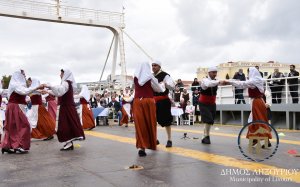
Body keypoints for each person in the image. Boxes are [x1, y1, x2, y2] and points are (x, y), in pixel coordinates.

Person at [227, 67, 272, 148]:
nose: (248, 75)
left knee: (254, 121)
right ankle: (263, 141)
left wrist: (229, 81)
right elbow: (243, 83)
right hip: (259, 101)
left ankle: (255, 140)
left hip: (256, 102)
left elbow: (242, 84)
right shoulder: (257, 80)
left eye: (248, 73)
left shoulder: (254, 81)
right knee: (259, 121)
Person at [1, 70, 44, 154]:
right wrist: (36, 87)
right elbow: (24, 91)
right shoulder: (16, 85)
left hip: (14, 106)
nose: (24, 76)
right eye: (23, 74)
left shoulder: (15, 84)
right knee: (24, 125)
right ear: (18, 75)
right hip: (16, 107)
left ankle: (7, 145)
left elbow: (26, 91)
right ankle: (20, 146)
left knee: (12, 127)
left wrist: (38, 90)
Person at [44, 69, 85, 151]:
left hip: (66, 107)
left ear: (65, 74)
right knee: (67, 125)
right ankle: (68, 143)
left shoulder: (66, 83)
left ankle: (68, 143)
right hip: (67, 107)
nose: (60, 75)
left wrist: (50, 86)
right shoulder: (68, 83)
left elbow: (60, 92)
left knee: (64, 126)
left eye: (61, 73)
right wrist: (47, 91)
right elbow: (58, 92)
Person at [132, 62, 164, 156]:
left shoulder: (135, 77)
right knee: (150, 122)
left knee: (140, 124)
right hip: (149, 101)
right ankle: (151, 142)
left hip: (138, 101)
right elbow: (159, 89)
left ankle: (142, 147)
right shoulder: (150, 77)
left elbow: (134, 87)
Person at [152, 60, 175, 147]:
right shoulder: (150, 76)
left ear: (159, 67)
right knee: (153, 120)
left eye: (155, 65)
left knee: (166, 120)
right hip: (153, 101)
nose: (153, 67)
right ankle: (154, 138)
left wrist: (166, 84)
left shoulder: (165, 75)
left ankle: (169, 139)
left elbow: (172, 86)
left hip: (164, 100)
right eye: (152, 65)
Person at [199, 67, 225, 144]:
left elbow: (217, 82)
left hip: (212, 103)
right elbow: (209, 84)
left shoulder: (216, 80)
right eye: (213, 72)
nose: (215, 74)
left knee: (210, 121)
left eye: (215, 72)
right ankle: (207, 136)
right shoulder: (205, 80)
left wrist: (228, 81)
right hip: (204, 103)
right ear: (209, 73)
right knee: (208, 119)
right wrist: (219, 81)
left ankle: (204, 136)